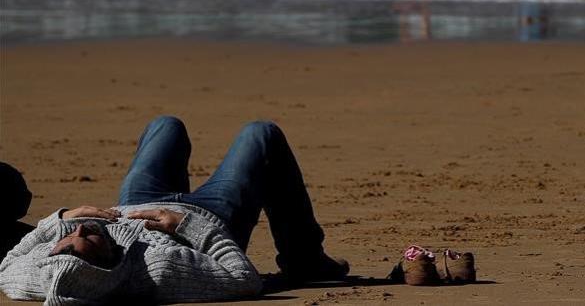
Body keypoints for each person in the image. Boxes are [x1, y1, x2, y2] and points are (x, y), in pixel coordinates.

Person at [0, 116, 348, 303]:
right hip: (209, 216)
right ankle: (304, 259)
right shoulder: (159, 269)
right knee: (261, 133)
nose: (79, 232)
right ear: (109, 261)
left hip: (136, 202)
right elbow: (245, 281)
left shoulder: (39, 276)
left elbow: (6, 265)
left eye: (65, 244)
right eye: (88, 238)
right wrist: (187, 228)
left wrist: (60, 220)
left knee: (165, 125)